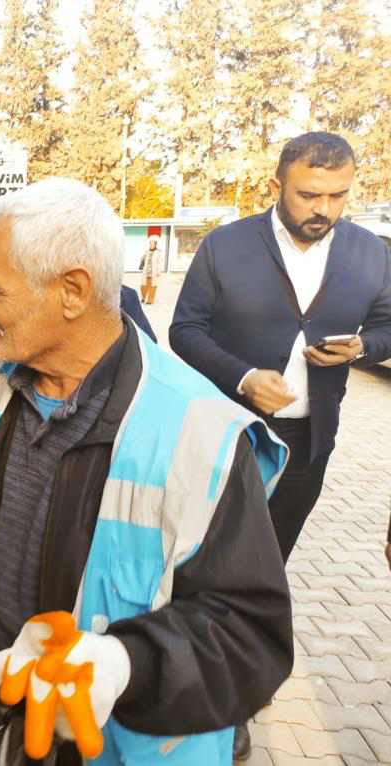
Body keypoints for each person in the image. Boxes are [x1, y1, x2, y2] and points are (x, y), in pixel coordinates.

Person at [0, 178, 294, 766]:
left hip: (117, 747)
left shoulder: (198, 431)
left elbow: (250, 638)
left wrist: (119, 664)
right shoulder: (1, 385)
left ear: (72, 291)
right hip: (9, 709)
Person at [170, 131, 391, 759]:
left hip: (306, 444)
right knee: (204, 565)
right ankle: (184, 675)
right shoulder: (226, 246)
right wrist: (242, 376)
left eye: (338, 196)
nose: (324, 208)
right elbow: (184, 330)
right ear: (276, 186)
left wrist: (363, 347)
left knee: (267, 570)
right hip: (227, 435)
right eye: (309, 194)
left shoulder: (370, 252)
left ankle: (234, 697)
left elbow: (388, 324)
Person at [139, 235, 161, 304]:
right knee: (143, 286)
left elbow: (159, 263)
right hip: (146, 272)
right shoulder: (147, 251)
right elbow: (142, 259)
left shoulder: (158, 252)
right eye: (150, 243)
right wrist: (142, 258)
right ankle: (143, 298)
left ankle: (150, 300)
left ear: (155, 244)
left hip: (153, 272)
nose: (151, 245)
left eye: (153, 243)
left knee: (152, 287)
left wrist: (158, 271)